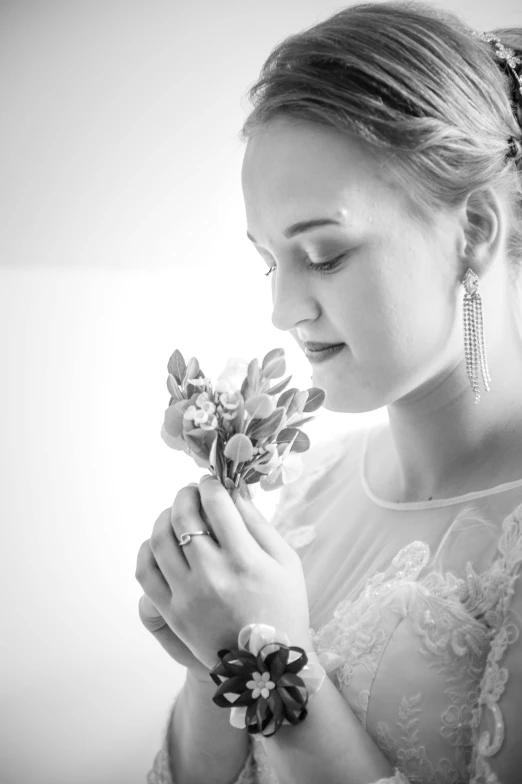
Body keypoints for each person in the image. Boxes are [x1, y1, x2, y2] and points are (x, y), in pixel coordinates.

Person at [136, 2, 522, 782]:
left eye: (325, 253)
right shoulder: (311, 487)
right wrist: (211, 655)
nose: (283, 311)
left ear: (475, 230)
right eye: (270, 261)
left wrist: (271, 649)